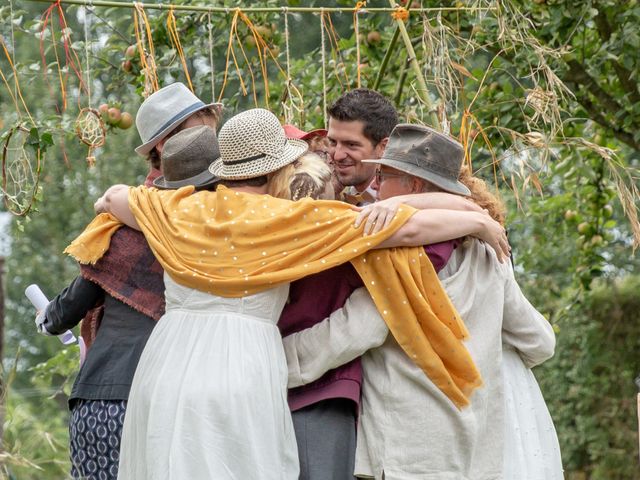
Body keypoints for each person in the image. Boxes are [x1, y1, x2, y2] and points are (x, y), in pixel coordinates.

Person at [68, 109, 509, 479]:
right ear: (279, 167)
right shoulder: (289, 220)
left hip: (167, 360)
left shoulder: (177, 208)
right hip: (242, 360)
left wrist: (143, 204)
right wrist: (477, 220)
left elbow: (111, 198)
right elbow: (407, 228)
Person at [283, 123, 562, 479]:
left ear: (412, 187)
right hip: (474, 451)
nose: (375, 187)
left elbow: (354, 332)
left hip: (407, 452)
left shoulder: (402, 259)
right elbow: (540, 342)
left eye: (384, 177)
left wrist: (275, 363)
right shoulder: (490, 254)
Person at [32, 126, 220, 480]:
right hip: (183, 401)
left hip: (109, 394)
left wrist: (48, 318)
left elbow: (74, 300)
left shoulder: (123, 237)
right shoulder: (224, 236)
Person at [134, 82, 222, 186]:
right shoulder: (152, 199)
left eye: (212, 136)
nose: (210, 143)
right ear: (164, 144)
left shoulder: (220, 179)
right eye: (197, 137)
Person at [327, 88, 398, 206]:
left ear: (384, 147)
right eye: (333, 142)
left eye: (351, 145)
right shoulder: (339, 193)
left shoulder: (400, 204)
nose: (338, 156)